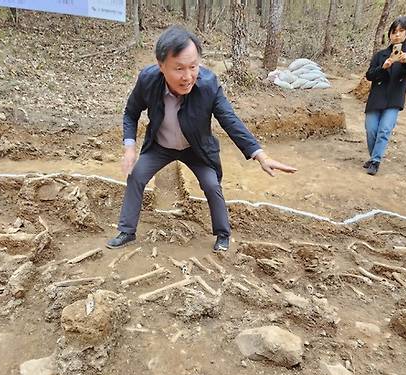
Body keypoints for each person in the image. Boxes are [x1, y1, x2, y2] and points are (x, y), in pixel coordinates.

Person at [106, 26, 296, 253]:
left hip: (196, 149)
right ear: (161, 66)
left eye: (193, 67)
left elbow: (230, 120)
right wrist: (129, 147)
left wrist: (259, 154)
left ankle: (223, 234)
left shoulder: (208, 85)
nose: (187, 77)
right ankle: (127, 231)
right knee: (136, 177)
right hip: (160, 146)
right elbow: (131, 112)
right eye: (179, 68)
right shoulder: (148, 80)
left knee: (211, 184)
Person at [363, 16, 406, 176]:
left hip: (394, 97)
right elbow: (369, 75)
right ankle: (373, 156)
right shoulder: (380, 54)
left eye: (401, 31)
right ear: (389, 34)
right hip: (377, 96)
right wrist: (383, 68)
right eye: (394, 31)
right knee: (371, 130)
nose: (397, 35)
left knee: (384, 130)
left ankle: (375, 161)